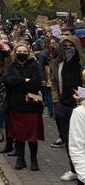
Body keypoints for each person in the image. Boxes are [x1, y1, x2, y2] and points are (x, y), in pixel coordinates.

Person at [3, 42, 44, 170]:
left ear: (28, 52)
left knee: (32, 136)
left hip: (31, 106)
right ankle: (20, 160)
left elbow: (36, 84)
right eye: (19, 51)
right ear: (15, 53)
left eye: (24, 51)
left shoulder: (34, 65)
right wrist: (23, 80)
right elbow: (7, 81)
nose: (22, 53)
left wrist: (19, 83)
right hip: (15, 106)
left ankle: (34, 159)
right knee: (18, 135)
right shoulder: (11, 65)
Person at [51, 35, 85, 182]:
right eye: (64, 47)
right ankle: (74, 169)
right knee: (69, 140)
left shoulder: (82, 65)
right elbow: (53, 83)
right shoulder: (58, 64)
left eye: (70, 46)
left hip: (81, 107)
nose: (67, 49)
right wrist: (56, 101)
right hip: (64, 107)